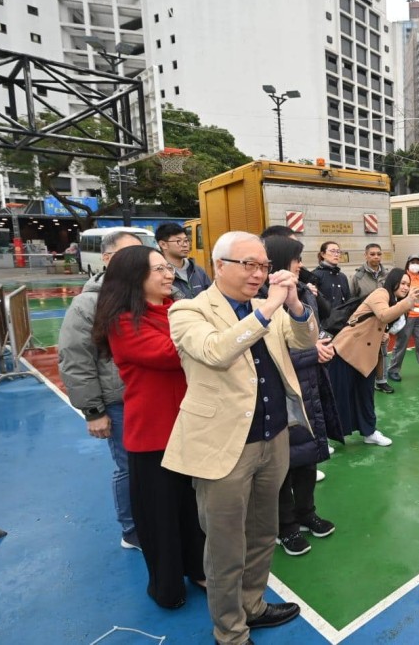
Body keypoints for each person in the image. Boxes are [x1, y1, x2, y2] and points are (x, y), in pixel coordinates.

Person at [162, 231, 317, 645]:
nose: (259, 273)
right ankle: (229, 631)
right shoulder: (187, 310)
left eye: (263, 266)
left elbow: (305, 341)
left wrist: (296, 306)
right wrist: (267, 309)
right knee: (226, 546)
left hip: (273, 437)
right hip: (222, 446)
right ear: (220, 266)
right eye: (249, 264)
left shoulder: (263, 307)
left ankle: (254, 605)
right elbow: (215, 351)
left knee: (264, 531)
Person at [93, 245, 206, 609]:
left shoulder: (176, 309)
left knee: (193, 508)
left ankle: (199, 569)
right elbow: (172, 355)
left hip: (191, 425)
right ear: (134, 278)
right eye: (157, 269)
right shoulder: (124, 321)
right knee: (160, 518)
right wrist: (207, 338)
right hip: (154, 433)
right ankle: (167, 585)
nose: (168, 274)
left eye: (166, 267)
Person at [57, 230, 143, 551]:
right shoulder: (88, 303)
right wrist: (93, 411)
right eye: (128, 253)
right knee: (128, 467)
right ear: (107, 259)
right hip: (118, 403)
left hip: (151, 399)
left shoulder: (149, 295)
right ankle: (131, 530)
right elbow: (75, 359)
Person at [263, 237, 337, 558]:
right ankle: (285, 526)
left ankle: (307, 513)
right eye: (296, 259)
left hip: (309, 388)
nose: (301, 265)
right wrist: (313, 353)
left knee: (307, 457)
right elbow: (272, 356)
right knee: (283, 464)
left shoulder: (302, 290)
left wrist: (319, 339)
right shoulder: (260, 301)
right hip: (282, 393)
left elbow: (312, 328)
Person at [331, 268, 419, 446]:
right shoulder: (381, 293)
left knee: (366, 395)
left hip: (367, 356)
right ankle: (328, 436)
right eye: (402, 283)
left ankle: (369, 431)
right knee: (339, 395)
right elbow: (383, 315)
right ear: (393, 281)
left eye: (408, 284)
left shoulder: (397, 301)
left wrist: (383, 333)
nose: (405, 287)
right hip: (346, 351)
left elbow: (384, 323)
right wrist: (408, 302)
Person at [350, 243, 392, 394]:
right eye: (372, 254)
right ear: (366, 255)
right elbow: (353, 301)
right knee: (364, 351)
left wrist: (388, 325)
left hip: (382, 320)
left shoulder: (387, 276)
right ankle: (363, 380)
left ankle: (381, 381)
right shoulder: (358, 277)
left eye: (379, 254)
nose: (376, 257)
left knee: (382, 351)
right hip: (365, 322)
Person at [387, 255, 419, 382]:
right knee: (401, 344)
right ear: (408, 263)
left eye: (418, 263)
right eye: (413, 262)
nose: (415, 265)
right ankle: (393, 370)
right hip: (406, 316)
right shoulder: (403, 279)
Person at [155, 222, 211, 300]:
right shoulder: (158, 274)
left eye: (186, 240)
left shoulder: (198, 271)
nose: (185, 245)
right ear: (163, 244)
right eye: (178, 241)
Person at [311, 240, 350, 309]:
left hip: (343, 317)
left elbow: (348, 299)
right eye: (332, 251)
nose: (336, 254)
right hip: (325, 318)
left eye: (338, 252)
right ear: (323, 254)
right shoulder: (315, 275)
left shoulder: (342, 276)